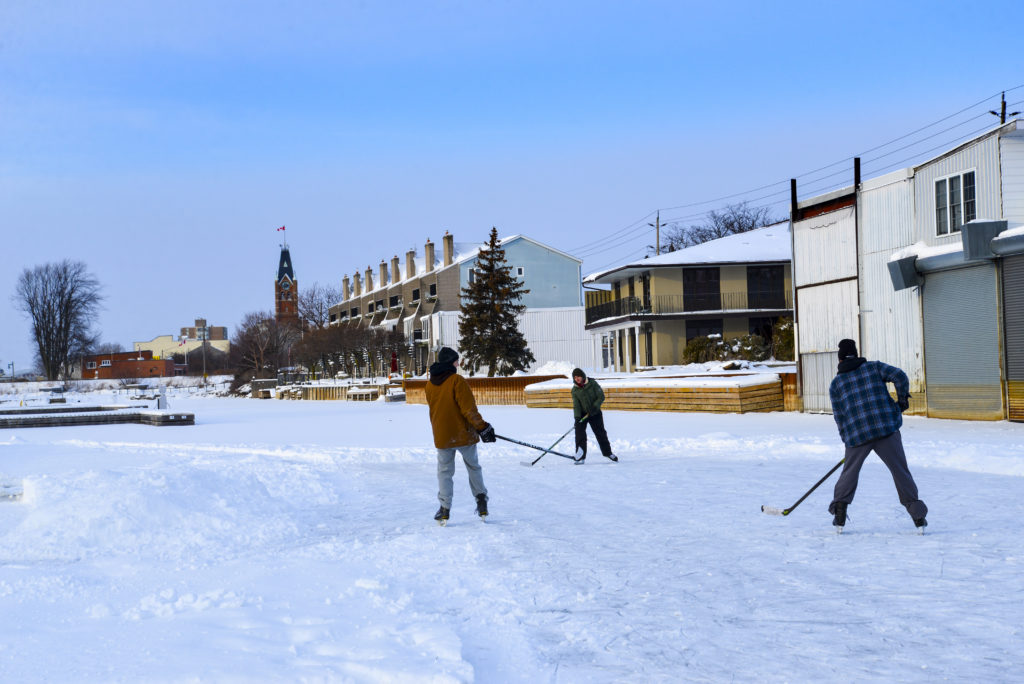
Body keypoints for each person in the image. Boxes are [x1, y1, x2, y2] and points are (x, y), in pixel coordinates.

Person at [828, 339, 927, 533]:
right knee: (900, 471)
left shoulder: (836, 384)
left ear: (839, 359)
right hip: (886, 428)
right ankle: (918, 516)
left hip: (857, 436)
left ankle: (839, 512)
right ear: (856, 354)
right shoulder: (873, 368)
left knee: (849, 473)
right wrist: (902, 400)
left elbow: (839, 416)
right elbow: (899, 375)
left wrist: (848, 440)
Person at [424, 347, 495, 525]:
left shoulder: (429, 384)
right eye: (455, 361)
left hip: (443, 436)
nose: (458, 364)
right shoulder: (457, 381)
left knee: (444, 472)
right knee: (473, 467)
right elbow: (468, 409)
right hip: (463, 435)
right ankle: (481, 501)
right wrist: (483, 427)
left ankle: (444, 508)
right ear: (449, 362)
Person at [570, 368, 617, 463]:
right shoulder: (574, 390)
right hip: (583, 414)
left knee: (600, 433)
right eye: (575, 377)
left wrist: (595, 407)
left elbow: (601, 396)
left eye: (578, 376)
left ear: (582, 376)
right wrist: (577, 417)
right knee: (579, 434)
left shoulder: (592, 384)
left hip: (595, 412)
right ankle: (581, 456)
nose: (577, 379)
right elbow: (576, 405)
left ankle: (608, 453)